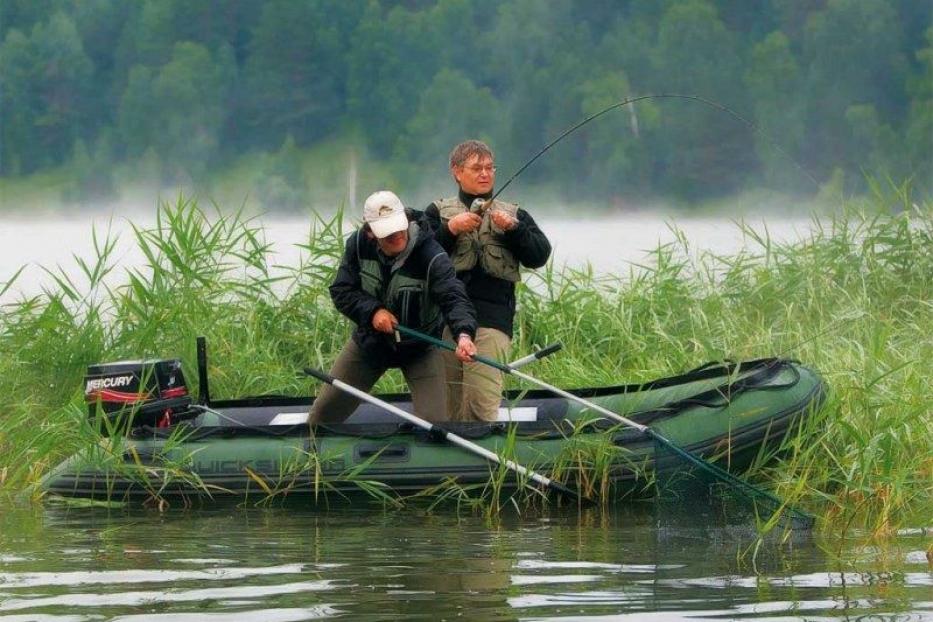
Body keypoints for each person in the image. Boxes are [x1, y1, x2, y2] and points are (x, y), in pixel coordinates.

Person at [308, 190, 478, 425]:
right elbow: (341, 290)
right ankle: (311, 457)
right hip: (370, 343)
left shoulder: (432, 255)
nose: (397, 235)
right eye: (387, 232)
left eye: (399, 227)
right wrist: (373, 311)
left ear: (406, 220)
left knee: (435, 424)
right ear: (370, 232)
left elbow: (454, 297)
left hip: (421, 348)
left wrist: (464, 334)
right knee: (322, 415)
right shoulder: (358, 245)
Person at [425, 140, 551, 422]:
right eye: (476, 168)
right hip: (444, 323)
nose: (485, 174)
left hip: (492, 322)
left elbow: (539, 255)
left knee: (481, 406)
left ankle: (485, 461)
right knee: (448, 408)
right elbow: (417, 254)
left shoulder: (515, 215)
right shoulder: (436, 213)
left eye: (489, 168)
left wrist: (515, 230)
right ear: (457, 172)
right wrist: (450, 229)